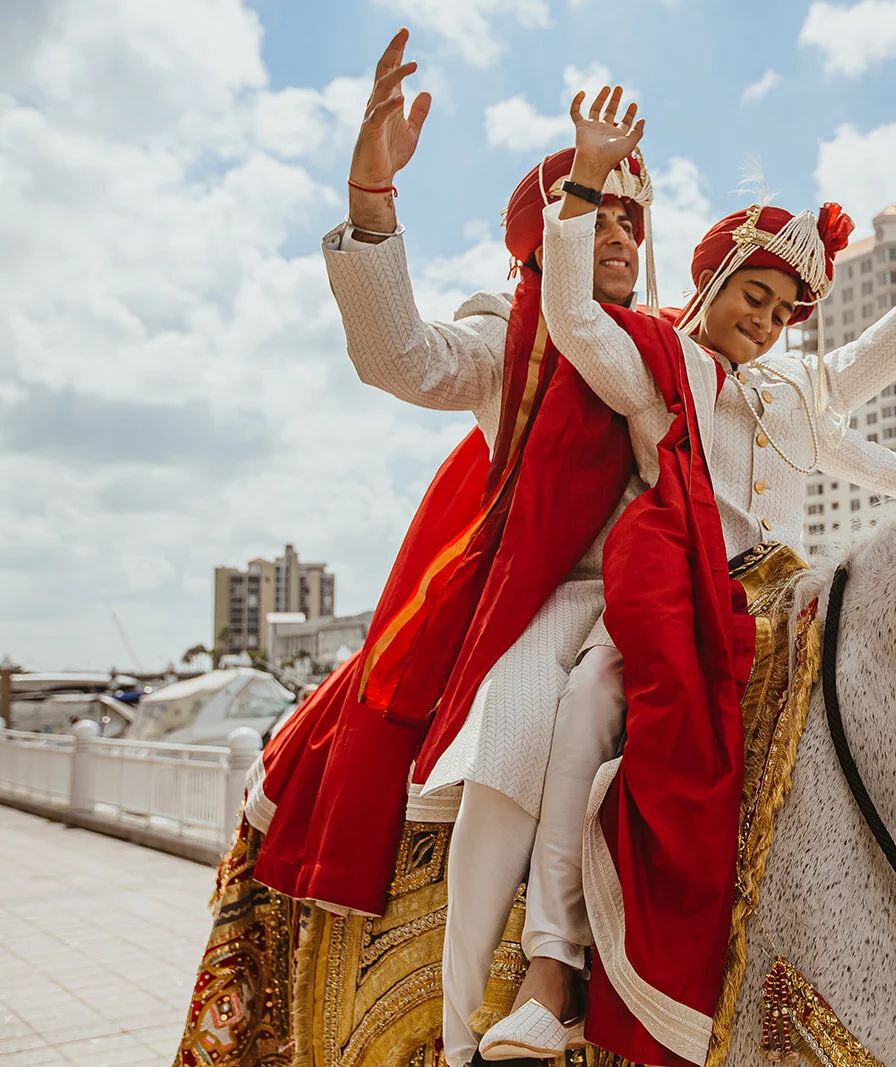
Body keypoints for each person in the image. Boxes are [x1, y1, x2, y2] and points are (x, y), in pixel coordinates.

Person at [474, 87, 896, 1065]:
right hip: (679, 594)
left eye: (786, 310)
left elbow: (870, 364)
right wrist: (585, 182)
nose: (769, 321)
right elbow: (574, 312)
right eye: (754, 297)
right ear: (709, 286)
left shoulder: (799, 383)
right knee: (589, 690)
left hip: (788, 595)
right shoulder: (657, 362)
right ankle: (552, 968)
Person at [230, 29, 656, 1067]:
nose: (622, 236)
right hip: (543, 604)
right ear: (549, 229)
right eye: (601, 210)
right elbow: (401, 358)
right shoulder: (509, 334)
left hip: (659, 597)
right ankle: (476, 1027)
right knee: (515, 729)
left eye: (634, 222)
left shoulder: (664, 346)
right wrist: (372, 206)